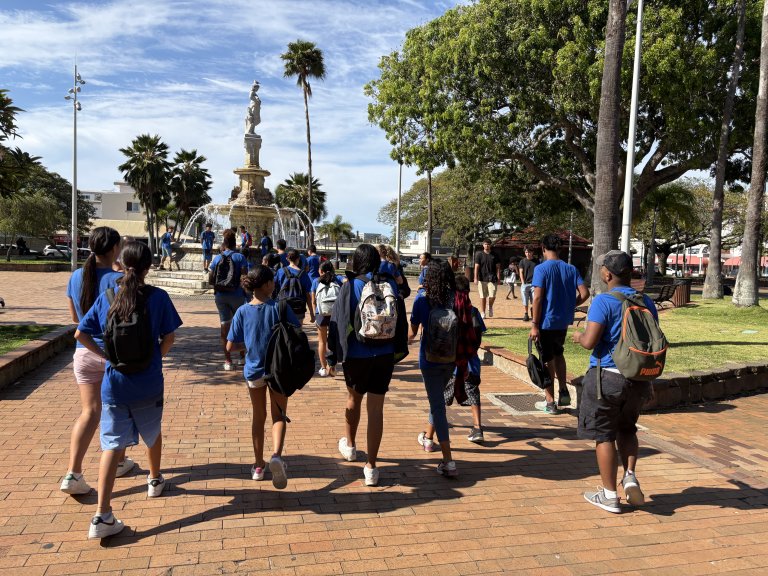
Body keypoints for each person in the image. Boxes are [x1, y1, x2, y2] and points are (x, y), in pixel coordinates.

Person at [75, 241, 182, 538]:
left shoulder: (109, 296)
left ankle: (102, 515)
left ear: (120, 265)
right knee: (153, 431)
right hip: (149, 382)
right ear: (149, 267)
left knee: (112, 445)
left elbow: (80, 333)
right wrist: (154, 358)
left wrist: (107, 356)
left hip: (115, 385)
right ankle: (155, 480)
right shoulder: (158, 297)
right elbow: (169, 338)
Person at [572, 250, 657, 513]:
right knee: (627, 429)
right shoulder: (646, 301)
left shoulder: (603, 301)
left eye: (602, 268)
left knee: (604, 435)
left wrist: (578, 336)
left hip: (607, 377)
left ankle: (609, 496)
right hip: (638, 378)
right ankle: (629, 476)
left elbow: (590, 342)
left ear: (607, 274)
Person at [61, 227, 133, 496]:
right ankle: (120, 462)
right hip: (112, 354)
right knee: (119, 411)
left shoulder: (77, 276)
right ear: (115, 249)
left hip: (83, 351)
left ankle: (73, 473)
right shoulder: (120, 280)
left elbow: (75, 318)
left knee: (89, 412)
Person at [331, 244, 399, 487]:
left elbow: (339, 321)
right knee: (376, 409)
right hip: (385, 353)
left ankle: (350, 446)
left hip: (357, 353)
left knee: (354, 399)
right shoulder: (389, 284)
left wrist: (333, 356)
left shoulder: (351, 285)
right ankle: (371, 467)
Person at [227, 265, 298, 489]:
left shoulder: (242, 311)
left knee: (259, 417)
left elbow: (230, 345)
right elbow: (296, 333)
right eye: (272, 281)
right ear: (267, 285)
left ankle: (258, 466)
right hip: (278, 371)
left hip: (254, 370)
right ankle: (276, 456)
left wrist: (247, 346)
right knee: (279, 416)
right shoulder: (280, 307)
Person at [418, 273, 487, 450]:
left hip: (451, 365)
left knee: (439, 402)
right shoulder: (473, 311)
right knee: (473, 395)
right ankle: (478, 428)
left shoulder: (449, 312)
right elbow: (479, 336)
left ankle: (428, 437)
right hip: (471, 364)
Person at [530, 234, 590, 414]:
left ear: (543, 248)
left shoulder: (541, 269)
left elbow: (537, 298)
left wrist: (534, 324)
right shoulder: (571, 269)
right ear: (560, 249)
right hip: (563, 322)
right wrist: (570, 306)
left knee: (547, 360)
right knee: (558, 354)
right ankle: (563, 391)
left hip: (545, 322)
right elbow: (585, 293)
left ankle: (550, 402)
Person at [411, 260, 459, 477]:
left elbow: (412, 333)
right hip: (451, 358)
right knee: (437, 400)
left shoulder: (422, 300)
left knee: (438, 406)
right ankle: (428, 439)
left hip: (429, 359)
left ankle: (448, 460)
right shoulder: (455, 299)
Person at [209, 230, 249, 371]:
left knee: (224, 327)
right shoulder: (240, 257)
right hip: (237, 295)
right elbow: (244, 277)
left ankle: (228, 361)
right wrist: (247, 294)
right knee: (240, 325)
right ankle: (242, 357)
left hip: (221, 296)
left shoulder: (217, 258)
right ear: (234, 243)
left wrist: (216, 288)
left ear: (224, 243)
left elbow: (210, 277)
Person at [311, 260, 343, 377]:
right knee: (335, 340)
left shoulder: (316, 281)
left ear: (321, 271)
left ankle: (324, 368)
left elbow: (313, 301)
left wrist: (315, 314)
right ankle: (332, 365)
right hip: (335, 314)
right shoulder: (337, 279)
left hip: (321, 313)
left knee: (322, 341)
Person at [274, 249, 313, 324]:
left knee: (283, 328)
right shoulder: (303, 274)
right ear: (298, 259)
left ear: (287, 258)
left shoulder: (280, 271)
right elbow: (307, 295)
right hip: (299, 308)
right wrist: (311, 313)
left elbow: (274, 288)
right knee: (298, 329)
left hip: (283, 306)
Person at [473, 239, 501, 318]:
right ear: (483, 245)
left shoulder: (495, 255)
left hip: (493, 278)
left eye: (488, 244)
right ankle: (483, 312)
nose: (487, 245)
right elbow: (476, 267)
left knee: (492, 296)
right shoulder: (479, 255)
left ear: (490, 245)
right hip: (482, 278)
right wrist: (475, 278)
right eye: (485, 244)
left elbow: (498, 267)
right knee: (483, 296)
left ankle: (490, 306)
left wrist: (499, 278)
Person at [519, 246, 538, 322]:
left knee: (534, 300)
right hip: (525, 284)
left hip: (534, 284)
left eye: (529, 252)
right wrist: (523, 282)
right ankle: (526, 314)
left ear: (532, 252)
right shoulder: (522, 261)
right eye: (526, 252)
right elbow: (521, 272)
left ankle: (533, 311)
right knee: (525, 300)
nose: (528, 254)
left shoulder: (536, 261)